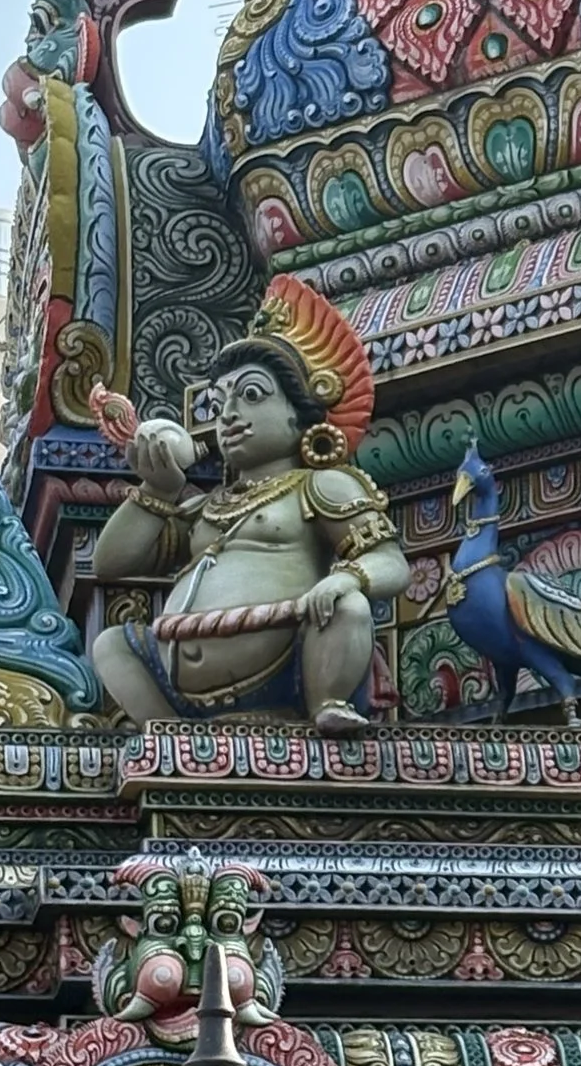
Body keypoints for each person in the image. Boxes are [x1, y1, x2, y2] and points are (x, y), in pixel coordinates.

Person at [90, 277, 404, 733]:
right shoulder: (208, 508)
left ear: (300, 413)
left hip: (286, 659)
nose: (230, 416)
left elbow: (390, 562)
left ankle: (327, 701)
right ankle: (172, 736)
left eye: (252, 395)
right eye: (220, 404)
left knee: (349, 607)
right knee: (111, 644)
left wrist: (346, 579)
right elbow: (110, 563)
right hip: (181, 675)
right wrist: (158, 491)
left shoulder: (320, 487)